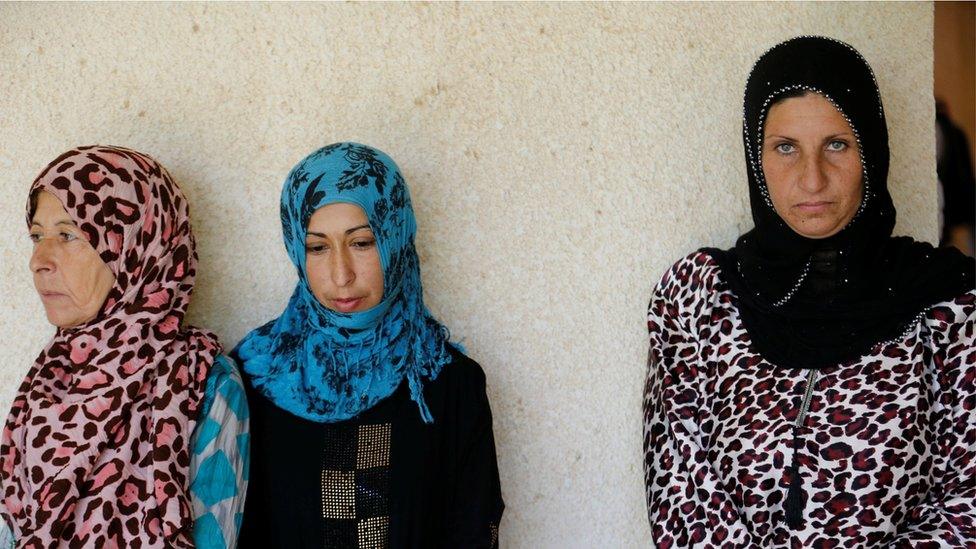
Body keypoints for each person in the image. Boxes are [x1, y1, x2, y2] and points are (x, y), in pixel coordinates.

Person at [643, 36, 975, 547]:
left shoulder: (951, 306)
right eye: (785, 148)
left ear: (872, 150)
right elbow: (681, 492)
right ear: (757, 158)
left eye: (837, 145)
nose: (812, 179)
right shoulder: (696, 298)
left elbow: (969, 504)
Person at [234, 142, 503, 548]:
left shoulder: (448, 385)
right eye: (317, 247)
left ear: (395, 237)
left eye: (361, 243)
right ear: (295, 248)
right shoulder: (255, 377)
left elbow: (473, 530)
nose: (341, 274)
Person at [0, 146, 248, 548]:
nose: (39, 260)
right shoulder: (48, 380)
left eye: (67, 235)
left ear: (134, 246)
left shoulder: (201, 382)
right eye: (36, 237)